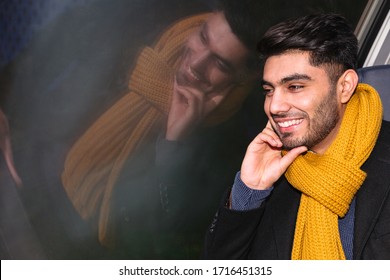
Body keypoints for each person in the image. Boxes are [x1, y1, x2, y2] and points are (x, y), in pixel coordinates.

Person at [61, 0, 267, 258]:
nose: (197, 64)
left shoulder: (229, 151)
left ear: (241, 79)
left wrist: (174, 144)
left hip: (98, 247)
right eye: (203, 38)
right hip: (49, 182)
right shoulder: (152, 49)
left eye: (221, 64)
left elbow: (159, 237)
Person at [204, 13, 390, 260]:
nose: (274, 106)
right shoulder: (273, 176)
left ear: (344, 87)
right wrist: (250, 190)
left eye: (295, 87)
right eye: (269, 90)